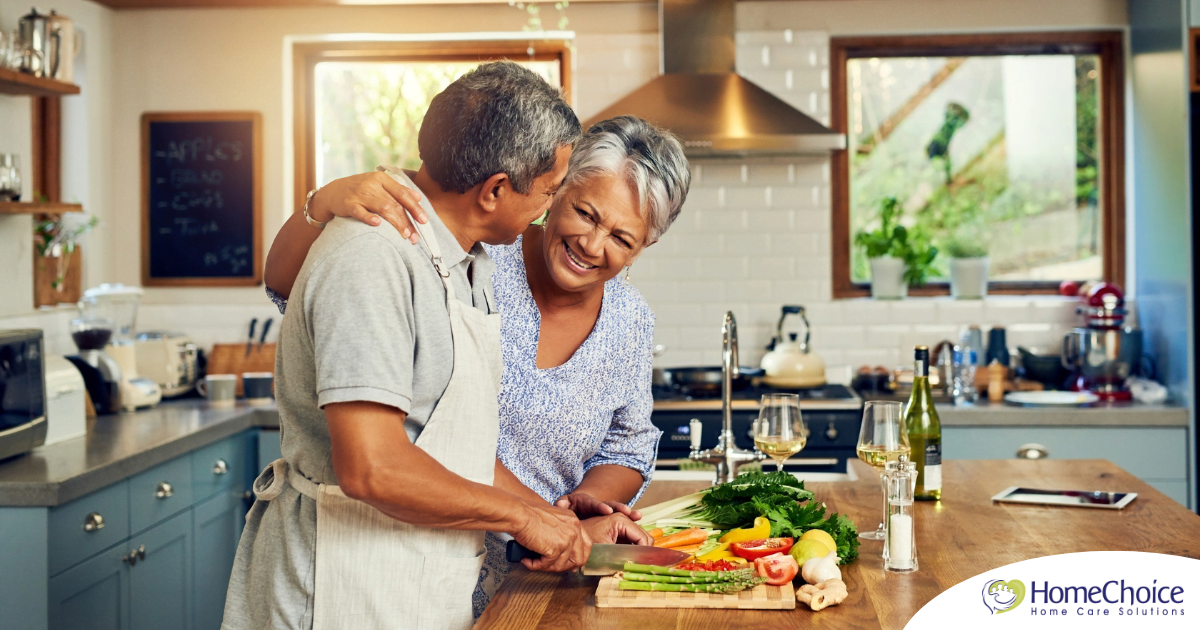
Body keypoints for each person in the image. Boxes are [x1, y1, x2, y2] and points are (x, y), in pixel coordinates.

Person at [222, 61, 644, 630]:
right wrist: (522, 520)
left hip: (413, 580)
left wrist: (562, 524)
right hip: (339, 586)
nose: (547, 213)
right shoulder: (371, 257)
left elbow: (451, 446)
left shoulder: (468, 264)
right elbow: (373, 468)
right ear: (495, 189)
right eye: (547, 194)